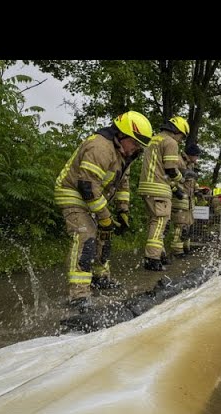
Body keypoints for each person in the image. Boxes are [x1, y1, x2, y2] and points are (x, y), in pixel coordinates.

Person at [54, 110, 153, 309]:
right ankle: (79, 294)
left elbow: (122, 184)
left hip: (94, 196)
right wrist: (105, 216)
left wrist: (123, 211)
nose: (136, 149)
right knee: (87, 236)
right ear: (121, 135)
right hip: (73, 192)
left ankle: (100, 277)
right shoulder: (100, 147)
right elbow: (87, 186)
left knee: (105, 237)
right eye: (134, 143)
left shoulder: (124, 154)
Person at [138, 116, 189, 271]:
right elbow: (170, 169)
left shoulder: (153, 140)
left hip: (146, 187)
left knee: (155, 222)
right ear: (178, 131)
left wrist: (174, 187)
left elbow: (158, 168)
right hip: (158, 188)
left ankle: (160, 254)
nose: (180, 140)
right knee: (160, 222)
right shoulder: (170, 142)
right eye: (182, 136)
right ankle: (152, 259)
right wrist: (182, 179)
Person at [170, 143, 201, 256]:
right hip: (179, 198)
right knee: (180, 225)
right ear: (191, 155)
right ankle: (177, 250)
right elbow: (169, 175)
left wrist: (198, 190)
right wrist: (175, 189)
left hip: (189, 200)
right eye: (197, 156)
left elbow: (192, 182)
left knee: (188, 225)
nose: (197, 159)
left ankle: (185, 247)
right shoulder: (178, 161)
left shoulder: (190, 165)